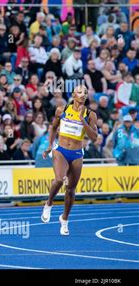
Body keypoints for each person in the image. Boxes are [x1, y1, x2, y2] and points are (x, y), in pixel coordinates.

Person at [41, 85, 98, 236]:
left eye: (85, 92)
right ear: (73, 94)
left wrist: (82, 120)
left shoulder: (90, 115)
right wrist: (49, 145)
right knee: (59, 180)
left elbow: (94, 138)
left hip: (77, 153)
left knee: (71, 189)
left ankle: (64, 219)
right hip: (61, 150)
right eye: (80, 92)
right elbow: (53, 128)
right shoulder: (62, 110)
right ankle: (49, 203)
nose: (83, 95)